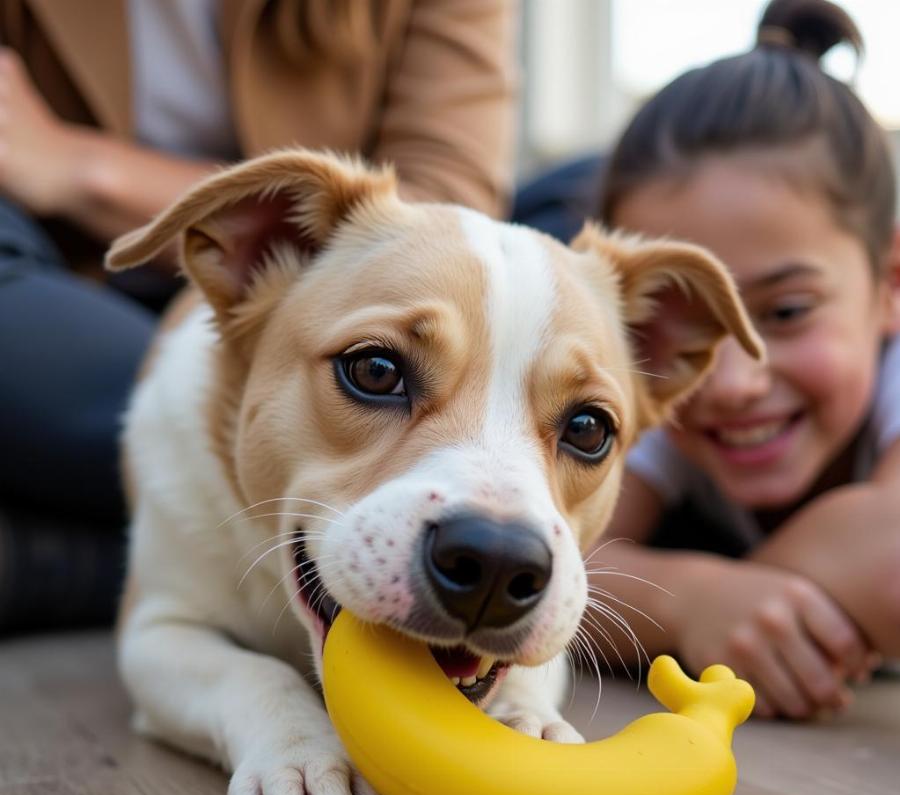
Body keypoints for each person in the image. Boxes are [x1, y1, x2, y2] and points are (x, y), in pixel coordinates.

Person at [0, 0, 516, 633]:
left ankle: (95, 557)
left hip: (324, 289)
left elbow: (450, 209)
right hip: (55, 280)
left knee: (578, 203)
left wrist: (83, 169)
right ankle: (157, 565)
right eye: (376, 373)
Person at [587, 0, 900, 719]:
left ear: (890, 285)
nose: (730, 382)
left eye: (787, 312)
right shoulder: (657, 375)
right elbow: (567, 559)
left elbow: (890, 560)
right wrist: (696, 603)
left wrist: (750, 583)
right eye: (686, 317)